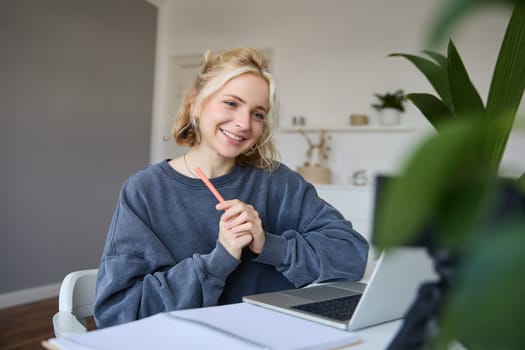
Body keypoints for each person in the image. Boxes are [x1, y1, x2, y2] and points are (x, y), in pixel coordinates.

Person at [94, 47, 369, 328]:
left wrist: (271, 245)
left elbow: (352, 255)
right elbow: (118, 312)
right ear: (195, 104)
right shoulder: (145, 191)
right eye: (231, 103)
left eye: (258, 114)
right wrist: (219, 260)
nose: (243, 123)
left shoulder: (281, 183)